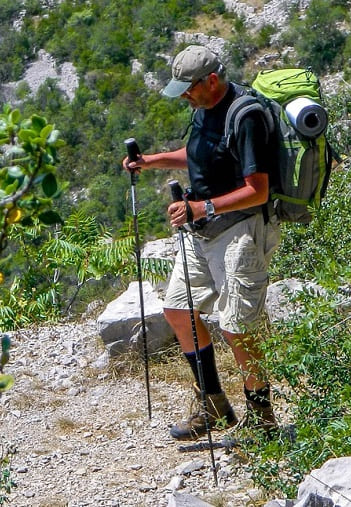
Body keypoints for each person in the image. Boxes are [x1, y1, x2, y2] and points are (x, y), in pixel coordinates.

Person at [123, 45, 281, 441]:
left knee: (237, 328)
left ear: (212, 80)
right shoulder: (204, 110)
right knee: (178, 309)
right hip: (203, 230)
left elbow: (257, 190)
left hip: (241, 231)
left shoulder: (247, 116)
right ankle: (213, 405)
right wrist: (152, 161)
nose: (184, 96)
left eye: (188, 88)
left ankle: (263, 421)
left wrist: (201, 208)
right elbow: (198, 156)